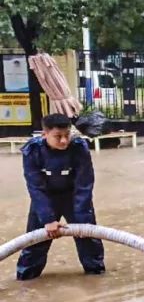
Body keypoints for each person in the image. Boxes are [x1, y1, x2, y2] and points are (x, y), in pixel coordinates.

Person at [16, 114, 106, 281]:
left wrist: (81, 220)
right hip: (46, 198)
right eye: (58, 137)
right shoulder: (32, 150)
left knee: (87, 238)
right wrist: (48, 218)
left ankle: (96, 275)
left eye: (67, 135)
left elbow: (84, 184)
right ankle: (26, 277)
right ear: (44, 135)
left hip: (74, 197)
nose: (64, 140)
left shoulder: (79, 147)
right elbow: (35, 186)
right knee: (35, 242)